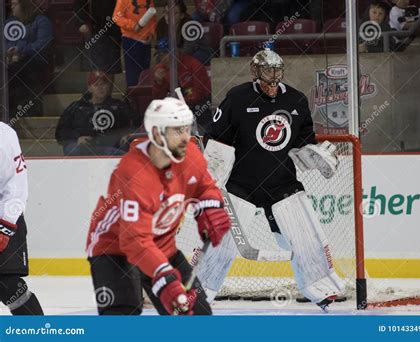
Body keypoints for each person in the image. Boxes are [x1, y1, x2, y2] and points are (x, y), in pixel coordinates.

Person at [196, 49, 344, 310]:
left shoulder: (297, 100)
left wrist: (316, 155)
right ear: (256, 71)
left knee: (305, 235)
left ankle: (321, 287)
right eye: (267, 72)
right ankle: (199, 291)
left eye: (277, 71)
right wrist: (211, 164)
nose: (273, 79)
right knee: (223, 238)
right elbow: (217, 137)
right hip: (242, 183)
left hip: (282, 182)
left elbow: (303, 143)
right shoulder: (238, 97)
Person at [85, 97, 231, 315]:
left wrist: (210, 208)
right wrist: (165, 278)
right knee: (122, 320)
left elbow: (203, 186)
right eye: (177, 131)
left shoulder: (190, 154)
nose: (185, 138)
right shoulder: (133, 173)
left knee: (196, 316)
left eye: (186, 129)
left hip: (161, 244)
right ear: (156, 133)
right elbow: (134, 241)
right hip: (114, 249)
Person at [0, 122, 43, 315]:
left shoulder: (4, 134)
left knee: (8, 286)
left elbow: (17, 185)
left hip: (4, 217)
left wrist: (5, 226)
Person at [55, 71, 138, 156]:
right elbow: (61, 132)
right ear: (90, 88)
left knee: (120, 152)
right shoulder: (76, 107)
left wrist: (127, 134)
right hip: (83, 147)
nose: (100, 88)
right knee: (73, 149)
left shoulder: (118, 106)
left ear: (108, 86)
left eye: (103, 84)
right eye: (96, 85)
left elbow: (136, 123)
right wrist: (77, 138)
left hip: (110, 146)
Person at [152, 38, 212, 134]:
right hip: (177, 104)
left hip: (198, 103)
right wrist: (158, 83)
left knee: (200, 111)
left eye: (166, 53)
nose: (163, 58)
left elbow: (201, 92)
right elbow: (158, 98)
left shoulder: (193, 64)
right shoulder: (160, 70)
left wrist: (180, 103)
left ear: (176, 52)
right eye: (161, 54)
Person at [6, 0, 54, 117]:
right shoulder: (12, 24)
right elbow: (8, 44)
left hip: (37, 61)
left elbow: (42, 45)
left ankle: (30, 108)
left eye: (14, 4)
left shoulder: (41, 21)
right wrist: (11, 53)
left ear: (24, 5)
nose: (11, 7)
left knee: (19, 70)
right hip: (17, 61)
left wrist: (21, 51)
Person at [113, 0, 157, 87]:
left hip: (145, 41)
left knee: (145, 74)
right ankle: (132, 98)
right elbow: (116, 17)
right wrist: (133, 26)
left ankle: (143, 97)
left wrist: (151, 33)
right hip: (130, 39)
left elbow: (153, 17)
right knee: (133, 76)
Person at [156, 0, 212, 65]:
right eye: (166, 12)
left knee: (192, 58)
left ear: (182, 15)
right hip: (175, 54)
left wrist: (170, 54)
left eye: (175, 13)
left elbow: (188, 51)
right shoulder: (161, 24)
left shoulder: (189, 26)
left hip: (198, 53)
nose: (169, 16)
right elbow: (160, 48)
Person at [74, 0, 122, 74]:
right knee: (97, 69)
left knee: (112, 69)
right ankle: (96, 82)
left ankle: (107, 84)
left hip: (115, 31)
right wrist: (81, 22)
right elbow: (79, 5)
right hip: (96, 30)